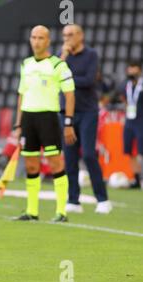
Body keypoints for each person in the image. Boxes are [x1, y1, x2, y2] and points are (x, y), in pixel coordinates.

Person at [12, 25, 76, 222]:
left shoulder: (58, 65)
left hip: (48, 118)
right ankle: (32, 211)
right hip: (29, 119)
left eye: (41, 38)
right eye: (33, 37)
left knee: (55, 163)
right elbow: (21, 95)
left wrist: (68, 123)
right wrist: (18, 125)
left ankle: (62, 212)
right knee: (31, 165)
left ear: (48, 41)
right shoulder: (26, 64)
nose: (36, 41)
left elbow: (70, 94)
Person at [59, 24, 112, 214]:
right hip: (65, 111)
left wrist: (65, 78)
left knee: (89, 154)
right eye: (64, 35)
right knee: (70, 156)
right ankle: (73, 200)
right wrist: (63, 59)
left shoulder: (91, 55)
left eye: (71, 35)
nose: (67, 38)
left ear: (80, 36)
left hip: (88, 111)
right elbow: (53, 76)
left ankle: (103, 199)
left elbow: (89, 80)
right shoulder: (61, 56)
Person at [119, 60, 143, 189]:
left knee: (141, 151)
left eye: (134, 68)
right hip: (129, 121)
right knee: (129, 151)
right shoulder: (125, 85)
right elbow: (120, 96)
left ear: (139, 69)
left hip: (141, 120)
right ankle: (136, 179)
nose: (131, 70)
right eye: (130, 68)